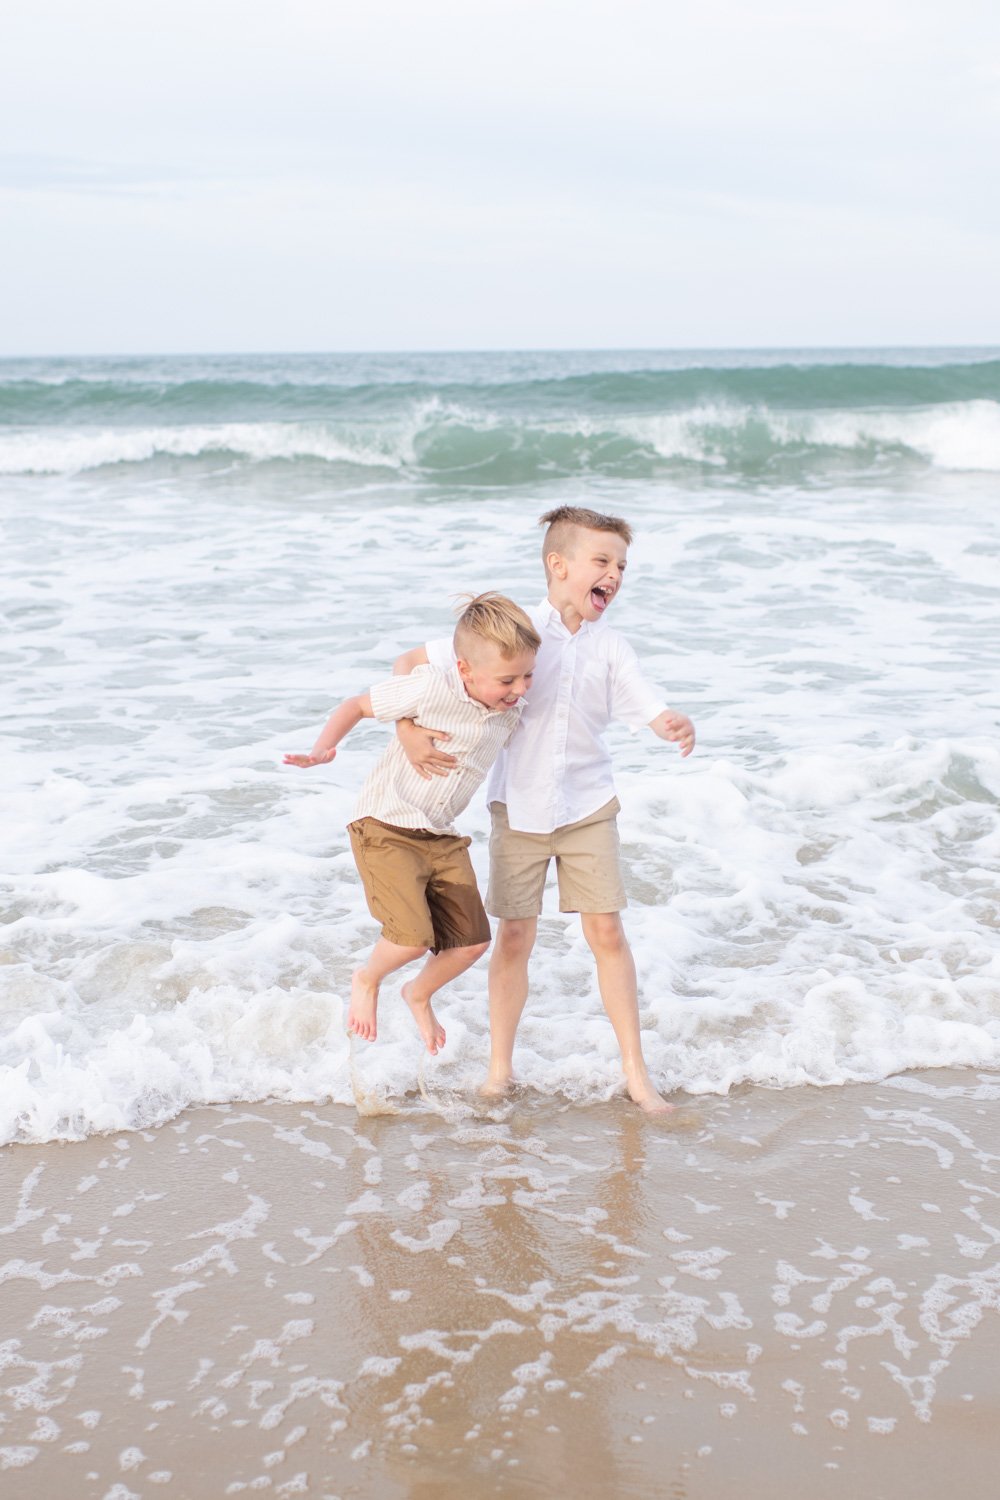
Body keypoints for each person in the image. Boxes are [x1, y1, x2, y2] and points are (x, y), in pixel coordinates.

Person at [393, 506, 695, 1114]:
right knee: (514, 938)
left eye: (622, 566)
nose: (615, 574)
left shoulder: (612, 647)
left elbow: (644, 704)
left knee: (606, 930)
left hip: (588, 807)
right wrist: (406, 729)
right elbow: (411, 665)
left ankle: (636, 1072)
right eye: (602, 561)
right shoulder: (515, 626)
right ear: (559, 565)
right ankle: (499, 1070)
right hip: (520, 810)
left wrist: (669, 723)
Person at [284, 593, 539, 1055]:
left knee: (470, 943)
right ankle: (367, 979)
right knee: (412, 939)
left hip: (439, 835)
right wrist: (324, 748)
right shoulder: (431, 688)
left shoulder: (510, 712)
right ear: (464, 670)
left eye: (527, 676)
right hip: (385, 824)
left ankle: (418, 993)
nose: (520, 688)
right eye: (507, 679)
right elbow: (356, 705)